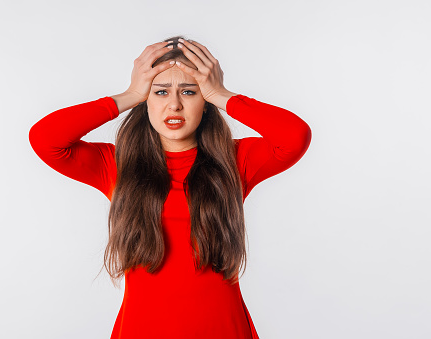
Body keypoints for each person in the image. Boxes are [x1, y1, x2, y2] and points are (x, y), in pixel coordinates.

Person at [29, 35, 312, 339]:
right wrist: (130, 94)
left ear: (205, 104)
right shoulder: (117, 165)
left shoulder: (235, 161)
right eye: (160, 92)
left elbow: (294, 137)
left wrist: (221, 94)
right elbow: (45, 139)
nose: (174, 104)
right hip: (142, 329)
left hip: (222, 328)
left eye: (189, 92)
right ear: (145, 102)